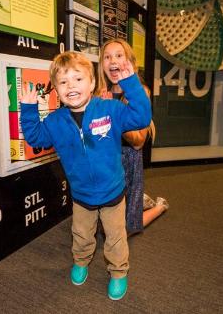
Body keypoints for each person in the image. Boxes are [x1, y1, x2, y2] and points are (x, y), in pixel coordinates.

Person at [20, 51, 151, 300]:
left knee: (115, 237)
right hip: (82, 195)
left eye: (78, 79)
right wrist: (28, 110)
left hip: (113, 192)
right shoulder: (55, 121)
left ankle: (118, 273)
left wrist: (130, 84)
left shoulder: (110, 109)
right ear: (56, 91)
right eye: (64, 82)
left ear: (91, 83)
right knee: (81, 234)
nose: (71, 86)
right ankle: (81, 261)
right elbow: (35, 137)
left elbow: (142, 117)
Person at [96, 38, 169, 236]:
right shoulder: (99, 93)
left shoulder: (140, 93)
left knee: (125, 230)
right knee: (101, 227)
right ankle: (139, 201)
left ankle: (159, 206)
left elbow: (138, 144)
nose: (113, 61)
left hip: (128, 160)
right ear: (102, 64)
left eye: (119, 56)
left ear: (129, 63)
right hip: (106, 161)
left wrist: (113, 112)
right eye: (107, 57)